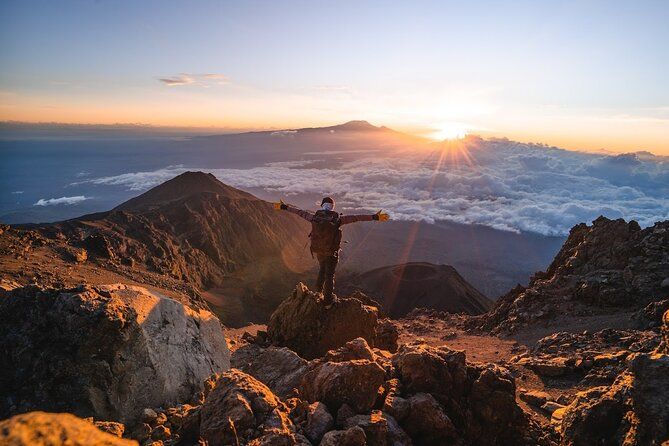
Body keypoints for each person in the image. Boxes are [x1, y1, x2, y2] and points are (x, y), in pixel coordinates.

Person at [275, 196, 389, 307]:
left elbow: (299, 212)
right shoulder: (338, 220)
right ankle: (328, 302)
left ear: (322, 205)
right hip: (331, 253)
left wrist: (284, 207)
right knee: (329, 275)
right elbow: (356, 217)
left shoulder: (314, 217)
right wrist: (375, 217)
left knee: (322, 270)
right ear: (332, 207)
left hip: (318, 250)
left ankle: (318, 292)